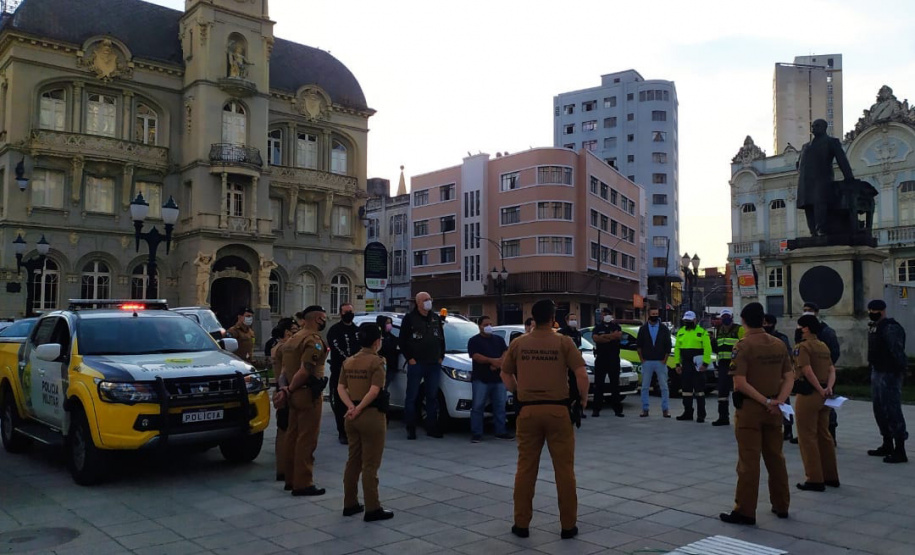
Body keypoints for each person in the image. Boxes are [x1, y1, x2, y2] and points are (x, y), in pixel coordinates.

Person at [502, 299, 588, 540]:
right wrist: (582, 400)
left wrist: (517, 393)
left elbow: (505, 372)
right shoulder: (564, 342)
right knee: (564, 470)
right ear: (553, 319)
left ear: (533, 317)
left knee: (525, 469)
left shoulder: (519, 343)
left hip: (528, 412)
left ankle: (521, 524)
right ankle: (568, 526)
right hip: (558, 412)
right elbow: (581, 374)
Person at [719, 302, 793, 526]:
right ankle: (782, 505)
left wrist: (764, 401)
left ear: (743, 321)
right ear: (763, 320)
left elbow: (739, 382)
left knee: (748, 462)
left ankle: (745, 511)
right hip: (775, 410)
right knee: (776, 458)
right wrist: (778, 400)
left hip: (751, 409)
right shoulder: (779, 344)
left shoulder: (743, 346)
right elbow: (790, 376)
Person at [337, 323, 394, 522]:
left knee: (353, 461)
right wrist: (360, 408)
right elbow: (375, 390)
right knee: (370, 464)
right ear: (377, 341)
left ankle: (350, 503)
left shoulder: (349, 361)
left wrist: (351, 408)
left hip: (350, 417)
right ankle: (372, 507)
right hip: (370, 415)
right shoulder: (377, 362)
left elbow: (341, 387)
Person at [276, 305, 329, 496]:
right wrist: (290, 389)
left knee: (292, 436)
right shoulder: (312, 340)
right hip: (307, 394)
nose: (325, 320)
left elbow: (283, 370)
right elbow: (305, 370)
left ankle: (290, 479)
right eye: (323, 318)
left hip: (292, 394)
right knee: (307, 439)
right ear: (317, 319)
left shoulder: (292, 339)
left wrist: (284, 389)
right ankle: (303, 482)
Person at [793, 314, 839, 491]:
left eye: (799, 326)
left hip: (809, 394)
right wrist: (828, 388)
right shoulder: (823, 346)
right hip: (824, 396)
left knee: (807, 437)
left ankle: (814, 478)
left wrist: (819, 389)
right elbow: (831, 369)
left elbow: (806, 369)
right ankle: (831, 476)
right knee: (824, 435)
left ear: (806, 328)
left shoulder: (802, 347)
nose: (798, 329)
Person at [865, 299, 908, 464]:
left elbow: (897, 351)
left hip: (889, 373)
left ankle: (900, 449)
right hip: (878, 370)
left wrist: (898, 370)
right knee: (879, 409)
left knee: (892, 409)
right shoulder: (874, 327)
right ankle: (887, 443)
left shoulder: (891, 327)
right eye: (870, 310)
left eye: (874, 310)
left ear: (882, 310)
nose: (871, 312)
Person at [399, 292, 446, 439]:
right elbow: (402, 341)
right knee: (412, 396)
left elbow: (441, 339)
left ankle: (431, 427)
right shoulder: (410, 318)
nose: (429, 302)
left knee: (432, 396)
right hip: (417, 363)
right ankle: (410, 427)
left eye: (430, 299)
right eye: (425, 300)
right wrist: (410, 358)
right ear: (418, 302)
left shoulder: (435, 318)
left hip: (433, 363)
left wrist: (441, 356)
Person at [797, 118, 855, 237]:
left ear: (824, 128)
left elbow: (842, 160)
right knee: (808, 205)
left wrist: (849, 177)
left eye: (817, 125)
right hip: (805, 181)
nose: (813, 128)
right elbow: (799, 163)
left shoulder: (831, 142)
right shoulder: (805, 146)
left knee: (820, 203)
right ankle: (813, 232)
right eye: (813, 126)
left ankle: (821, 230)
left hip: (822, 179)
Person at [797, 302, 840, 443]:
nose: (806, 312)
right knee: (815, 423)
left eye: (809, 310)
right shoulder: (803, 334)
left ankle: (831, 432)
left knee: (827, 412)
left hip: (821, 381)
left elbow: (832, 357)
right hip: (814, 384)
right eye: (804, 310)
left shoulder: (826, 332)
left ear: (816, 311)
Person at [467, 316, 511, 443]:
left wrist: (498, 363)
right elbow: (475, 356)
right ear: (479, 326)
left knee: (500, 406)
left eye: (491, 324)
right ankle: (477, 433)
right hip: (481, 379)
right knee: (478, 406)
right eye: (486, 324)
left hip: (498, 379)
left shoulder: (499, 339)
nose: (489, 326)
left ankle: (501, 431)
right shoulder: (474, 341)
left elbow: (505, 352)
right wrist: (492, 361)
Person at [327, 303, 359, 444]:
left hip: (356, 373)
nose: (349, 314)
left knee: (355, 402)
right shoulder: (334, 330)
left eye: (351, 311)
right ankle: (342, 432)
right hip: (339, 372)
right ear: (341, 313)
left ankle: (354, 430)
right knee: (340, 404)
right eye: (346, 311)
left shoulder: (357, 330)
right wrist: (349, 360)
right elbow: (336, 348)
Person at [674, 311, 713, 423]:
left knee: (699, 391)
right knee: (686, 390)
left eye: (690, 321)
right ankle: (688, 412)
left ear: (695, 320)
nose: (688, 322)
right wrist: (677, 364)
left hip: (698, 366)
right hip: (686, 365)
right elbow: (677, 349)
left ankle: (701, 415)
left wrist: (705, 363)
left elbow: (707, 349)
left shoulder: (702, 332)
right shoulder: (681, 332)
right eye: (686, 321)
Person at [270, 317, 296, 482]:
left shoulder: (276, 346)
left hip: (280, 388)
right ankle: (285, 469)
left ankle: (282, 468)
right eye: (294, 331)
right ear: (287, 332)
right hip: (285, 389)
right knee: (286, 430)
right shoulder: (284, 348)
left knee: (282, 429)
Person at [637, 307, 673, 418]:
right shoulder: (643, 329)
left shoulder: (664, 329)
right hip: (647, 361)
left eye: (656, 313)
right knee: (645, 387)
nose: (654, 315)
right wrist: (642, 359)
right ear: (649, 314)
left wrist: (665, 359)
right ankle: (645, 409)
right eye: (652, 313)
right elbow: (639, 345)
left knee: (664, 387)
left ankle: (665, 410)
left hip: (660, 361)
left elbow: (668, 345)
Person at [764, 314, 795, 441]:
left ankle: (788, 429)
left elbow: (787, 356)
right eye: (763, 323)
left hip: (780, 374)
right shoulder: (761, 339)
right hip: (765, 374)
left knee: (784, 402)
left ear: (772, 324)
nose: (764, 326)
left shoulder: (781, 338)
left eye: (766, 323)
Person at [712, 308, 745, 427]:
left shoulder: (739, 329)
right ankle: (723, 417)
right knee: (722, 392)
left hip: (736, 364)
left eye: (727, 316)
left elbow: (744, 345)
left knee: (739, 390)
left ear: (731, 317)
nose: (725, 318)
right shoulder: (719, 330)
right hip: (722, 365)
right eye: (723, 317)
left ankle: (741, 417)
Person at [591, 307, 624, 418]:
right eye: (603, 314)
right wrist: (610, 337)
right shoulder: (598, 327)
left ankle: (618, 410)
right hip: (601, 358)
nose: (604, 316)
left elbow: (618, 336)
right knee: (599, 385)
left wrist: (604, 337)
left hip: (613, 359)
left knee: (615, 385)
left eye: (607, 314)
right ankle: (596, 409)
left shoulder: (616, 327)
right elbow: (596, 338)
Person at [376, 315, 400, 390]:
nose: (389, 325)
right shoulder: (377, 338)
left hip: (390, 367)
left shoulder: (392, 337)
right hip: (380, 367)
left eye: (390, 323)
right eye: (387, 323)